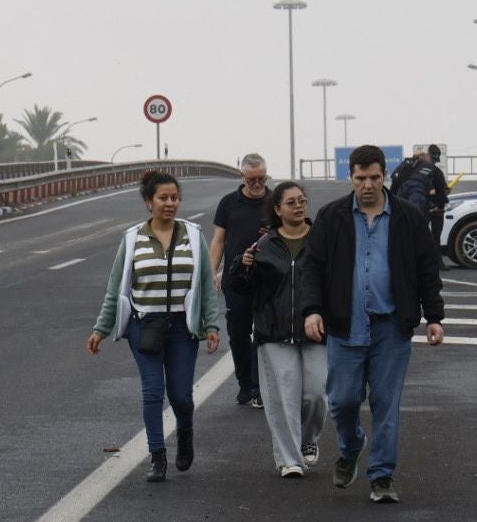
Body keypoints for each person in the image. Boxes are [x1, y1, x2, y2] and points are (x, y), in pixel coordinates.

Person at [301, 145, 446, 504]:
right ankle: (351, 447)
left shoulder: (408, 217)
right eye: (361, 178)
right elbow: (313, 269)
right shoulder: (331, 216)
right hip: (345, 326)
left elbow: (427, 268)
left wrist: (434, 317)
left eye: (374, 178)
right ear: (350, 177)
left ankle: (382, 476)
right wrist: (312, 310)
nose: (367, 185)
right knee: (343, 401)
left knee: (385, 402)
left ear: (385, 176)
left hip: (392, 328)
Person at [87, 171, 221, 482]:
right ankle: (157, 456)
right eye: (163, 198)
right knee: (152, 392)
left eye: (174, 197)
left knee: (181, 395)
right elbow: (115, 288)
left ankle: (184, 434)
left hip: (181, 327)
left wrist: (211, 325)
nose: (170, 203)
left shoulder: (193, 235)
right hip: (144, 326)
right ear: (149, 202)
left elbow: (204, 285)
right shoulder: (133, 239)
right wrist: (100, 330)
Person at [224, 180, 326, 477]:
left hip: (314, 330)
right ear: (278, 209)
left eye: (302, 200)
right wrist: (242, 266)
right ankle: (289, 460)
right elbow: (242, 288)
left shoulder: (321, 241)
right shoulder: (263, 245)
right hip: (273, 331)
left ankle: (308, 441)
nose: (298, 206)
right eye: (291, 202)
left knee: (315, 393)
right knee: (283, 395)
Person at [209, 154, 270, 408]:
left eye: (261, 178)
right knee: (238, 335)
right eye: (251, 179)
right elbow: (219, 240)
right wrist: (211, 272)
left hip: (268, 279)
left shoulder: (276, 201)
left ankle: (259, 389)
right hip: (236, 279)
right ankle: (245, 384)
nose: (256, 183)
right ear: (242, 176)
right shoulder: (228, 203)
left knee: (264, 335)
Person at [388, 145, 448, 243]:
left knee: (407, 229)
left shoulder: (405, 167)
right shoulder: (431, 168)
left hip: (405, 201)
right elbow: (441, 190)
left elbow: (394, 182)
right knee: (419, 229)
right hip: (425, 205)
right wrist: (441, 205)